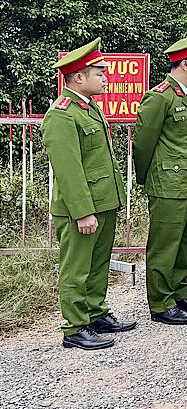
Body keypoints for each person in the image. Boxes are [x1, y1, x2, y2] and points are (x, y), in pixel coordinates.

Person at [43, 38, 135, 349]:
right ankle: (75, 328)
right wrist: (83, 212)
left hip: (102, 202)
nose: (106, 78)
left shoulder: (89, 107)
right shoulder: (62, 114)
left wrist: (113, 199)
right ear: (79, 77)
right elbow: (68, 170)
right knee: (77, 268)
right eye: (100, 73)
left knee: (98, 264)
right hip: (80, 208)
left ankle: (95, 313)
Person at [133, 31, 187, 326]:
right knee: (165, 246)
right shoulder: (160, 97)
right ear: (184, 64)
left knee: (186, 243)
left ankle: (180, 292)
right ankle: (161, 302)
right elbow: (143, 144)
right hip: (168, 185)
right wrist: (149, 179)